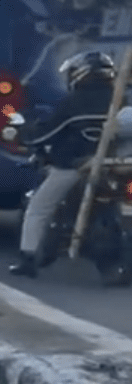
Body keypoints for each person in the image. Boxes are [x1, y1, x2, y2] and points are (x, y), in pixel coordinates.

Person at [11, 50, 120, 277]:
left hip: (75, 165)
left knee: (39, 208)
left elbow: (45, 133)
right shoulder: (120, 98)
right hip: (114, 162)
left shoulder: (75, 102)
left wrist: (25, 134)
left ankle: (28, 259)